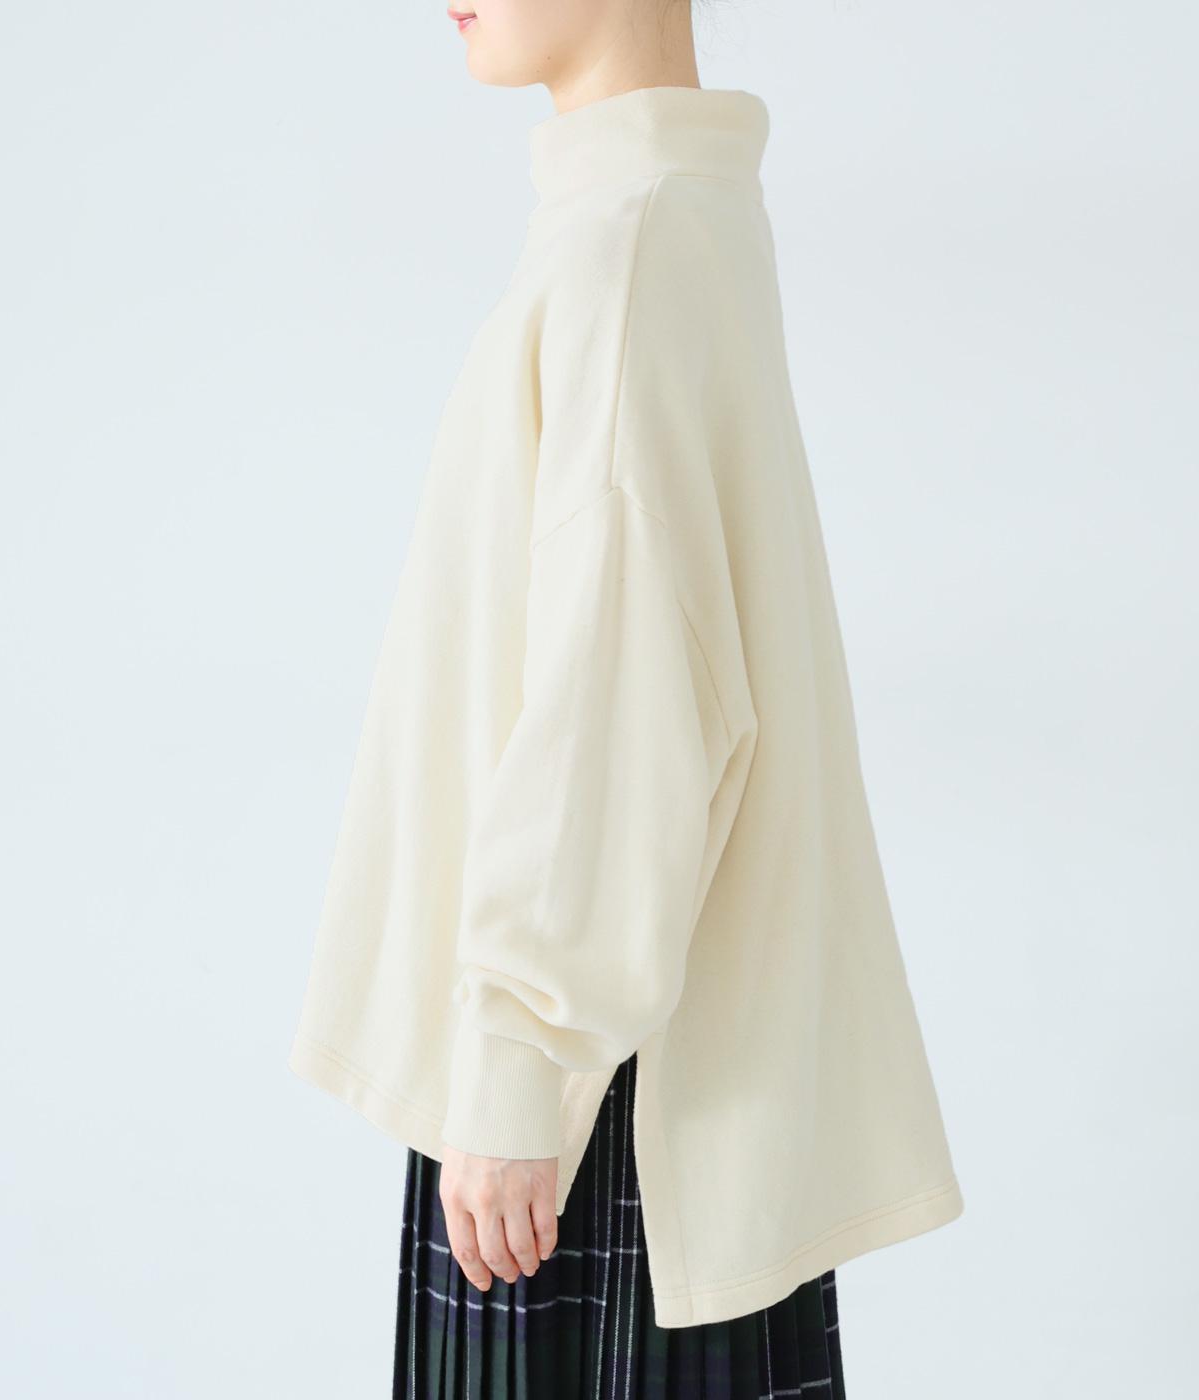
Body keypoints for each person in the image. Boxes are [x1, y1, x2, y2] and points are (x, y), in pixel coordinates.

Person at [288, 2, 964, 1395]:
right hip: (646, 1067)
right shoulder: (672, 217)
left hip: (598, 1101)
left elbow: (630, 688)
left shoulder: (632, 246)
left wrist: (515, 1061)